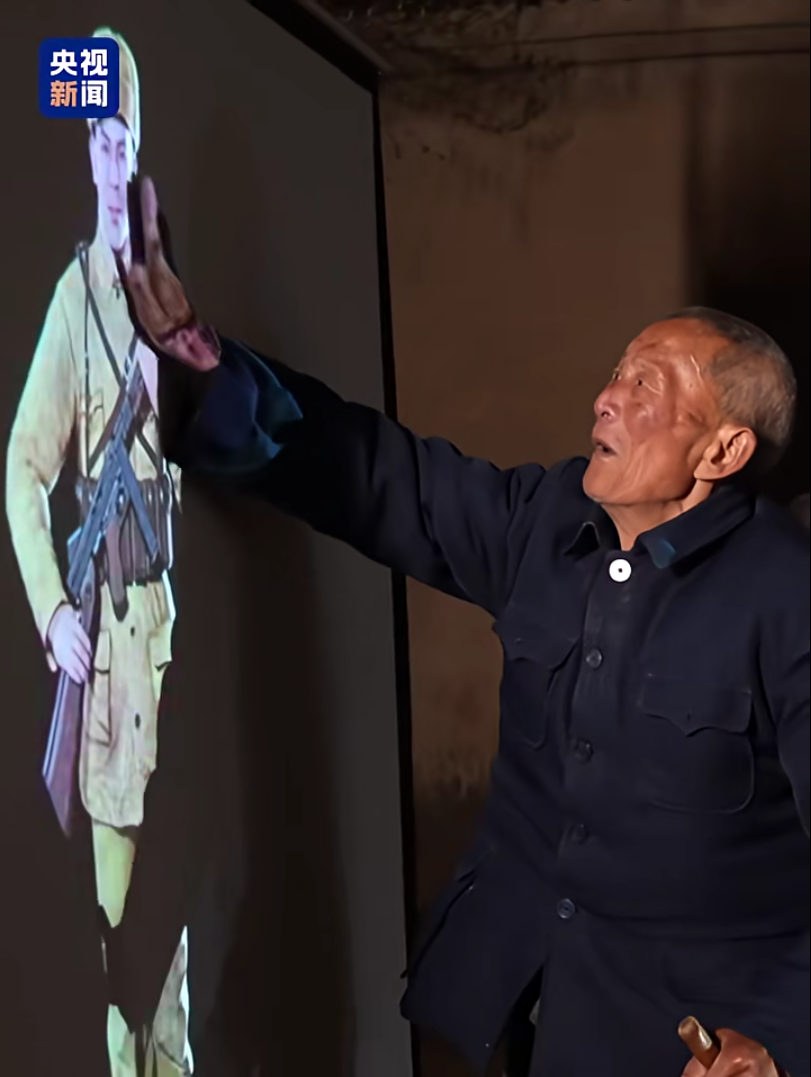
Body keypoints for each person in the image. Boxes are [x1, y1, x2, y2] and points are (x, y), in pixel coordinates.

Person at [120, 177, 808, 1077]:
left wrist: (781, 1039)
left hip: (686, 1041)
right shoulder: (545, 519)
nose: (605, 397)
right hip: (513, 1003)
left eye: (646, 385)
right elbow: (380, 476)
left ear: (722, 449)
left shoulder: (785, 595)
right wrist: (202, 361)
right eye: (616, 371)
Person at [5, 35, 192, 1077]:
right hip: (113, 664)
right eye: (98, 138)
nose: (113, 157)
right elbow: (23, 469)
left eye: (125, 138)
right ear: (86, 152)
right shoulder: (75, 300)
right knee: (119, 948)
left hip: (171, 646)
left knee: (177, 965)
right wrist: (51, 611)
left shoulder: (166, 291)